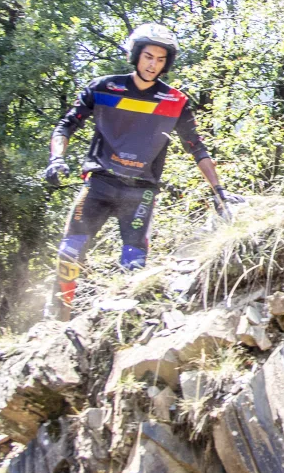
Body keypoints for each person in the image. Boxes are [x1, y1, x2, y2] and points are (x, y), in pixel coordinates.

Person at [43, 23, 244, 320]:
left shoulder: (176, 101)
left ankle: (119, 326)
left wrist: (219, 192)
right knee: (70, 252)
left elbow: (197, 148)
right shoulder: (103, 88)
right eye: (149, 56)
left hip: (140, 192)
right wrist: (55, 159)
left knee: (133, 263)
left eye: (161, 59)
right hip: (99, 183)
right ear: (135, 55)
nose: (154, 64)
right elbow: (66, 125)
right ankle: (57, 318)